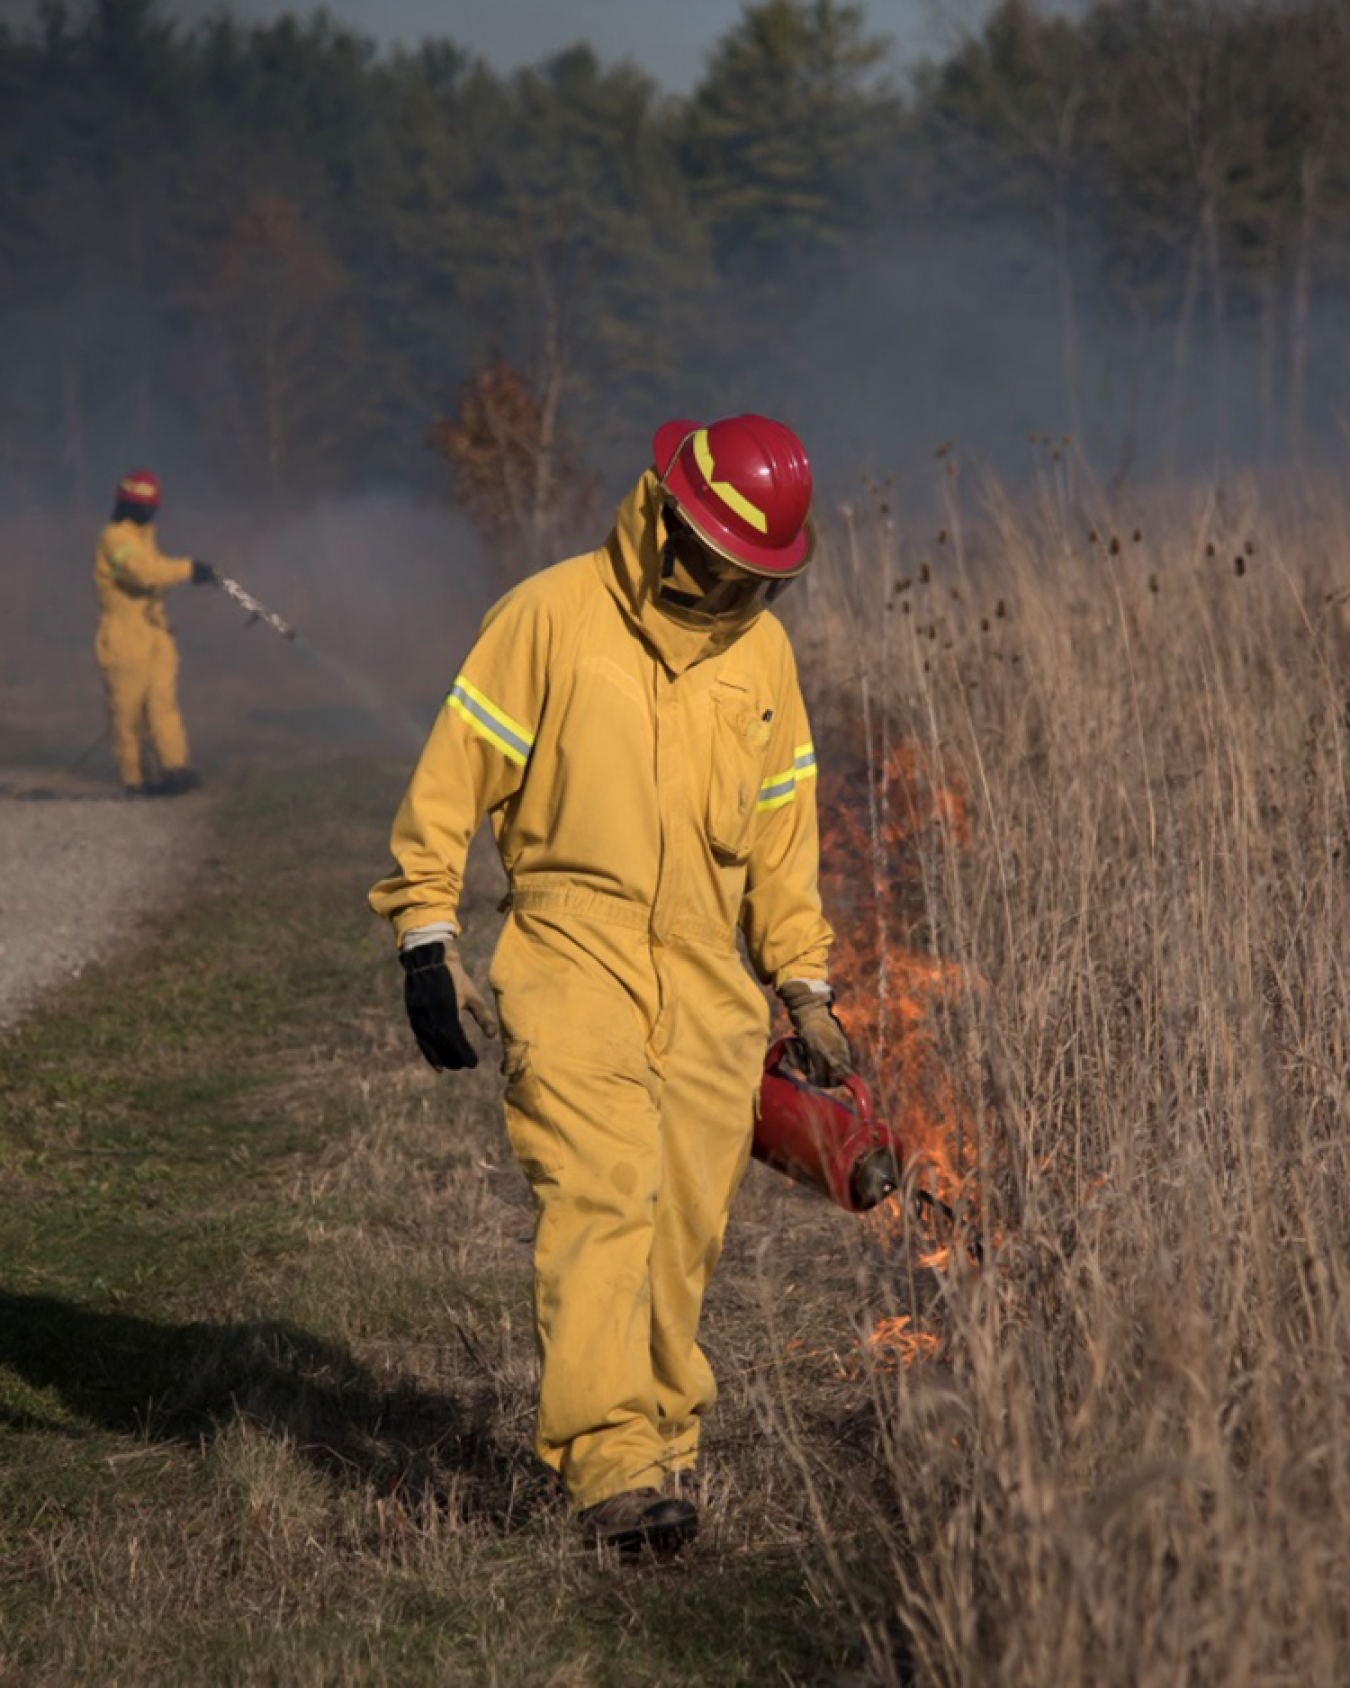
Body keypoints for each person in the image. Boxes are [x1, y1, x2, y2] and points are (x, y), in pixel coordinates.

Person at [369, 415, 853, 1555]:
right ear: (675, 519)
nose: (742, 590)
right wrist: (425, 936)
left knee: (682, 1222)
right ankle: (611, 1466)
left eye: (761, 577)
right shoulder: (552, 615)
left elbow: (783, 838)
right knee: (599, 1197)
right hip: (571, 952)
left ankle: (663, 1436)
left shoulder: (762, 656)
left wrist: (805, 982)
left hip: (710, 979)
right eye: (728, 564)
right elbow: (449, 782)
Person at [94, 469, 216, 797]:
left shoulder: (144, 539)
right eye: (141, 505)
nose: (146, 512)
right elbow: (141, 573)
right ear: (126, 504)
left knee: (163, 704)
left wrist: (201, 574)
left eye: (150, 506)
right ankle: (135, 779)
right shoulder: (115, 539)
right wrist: (187, 569)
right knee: (127, 713)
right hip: (124, 636)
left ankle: (174, 768)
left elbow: (156, 571)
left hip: (156, 632)